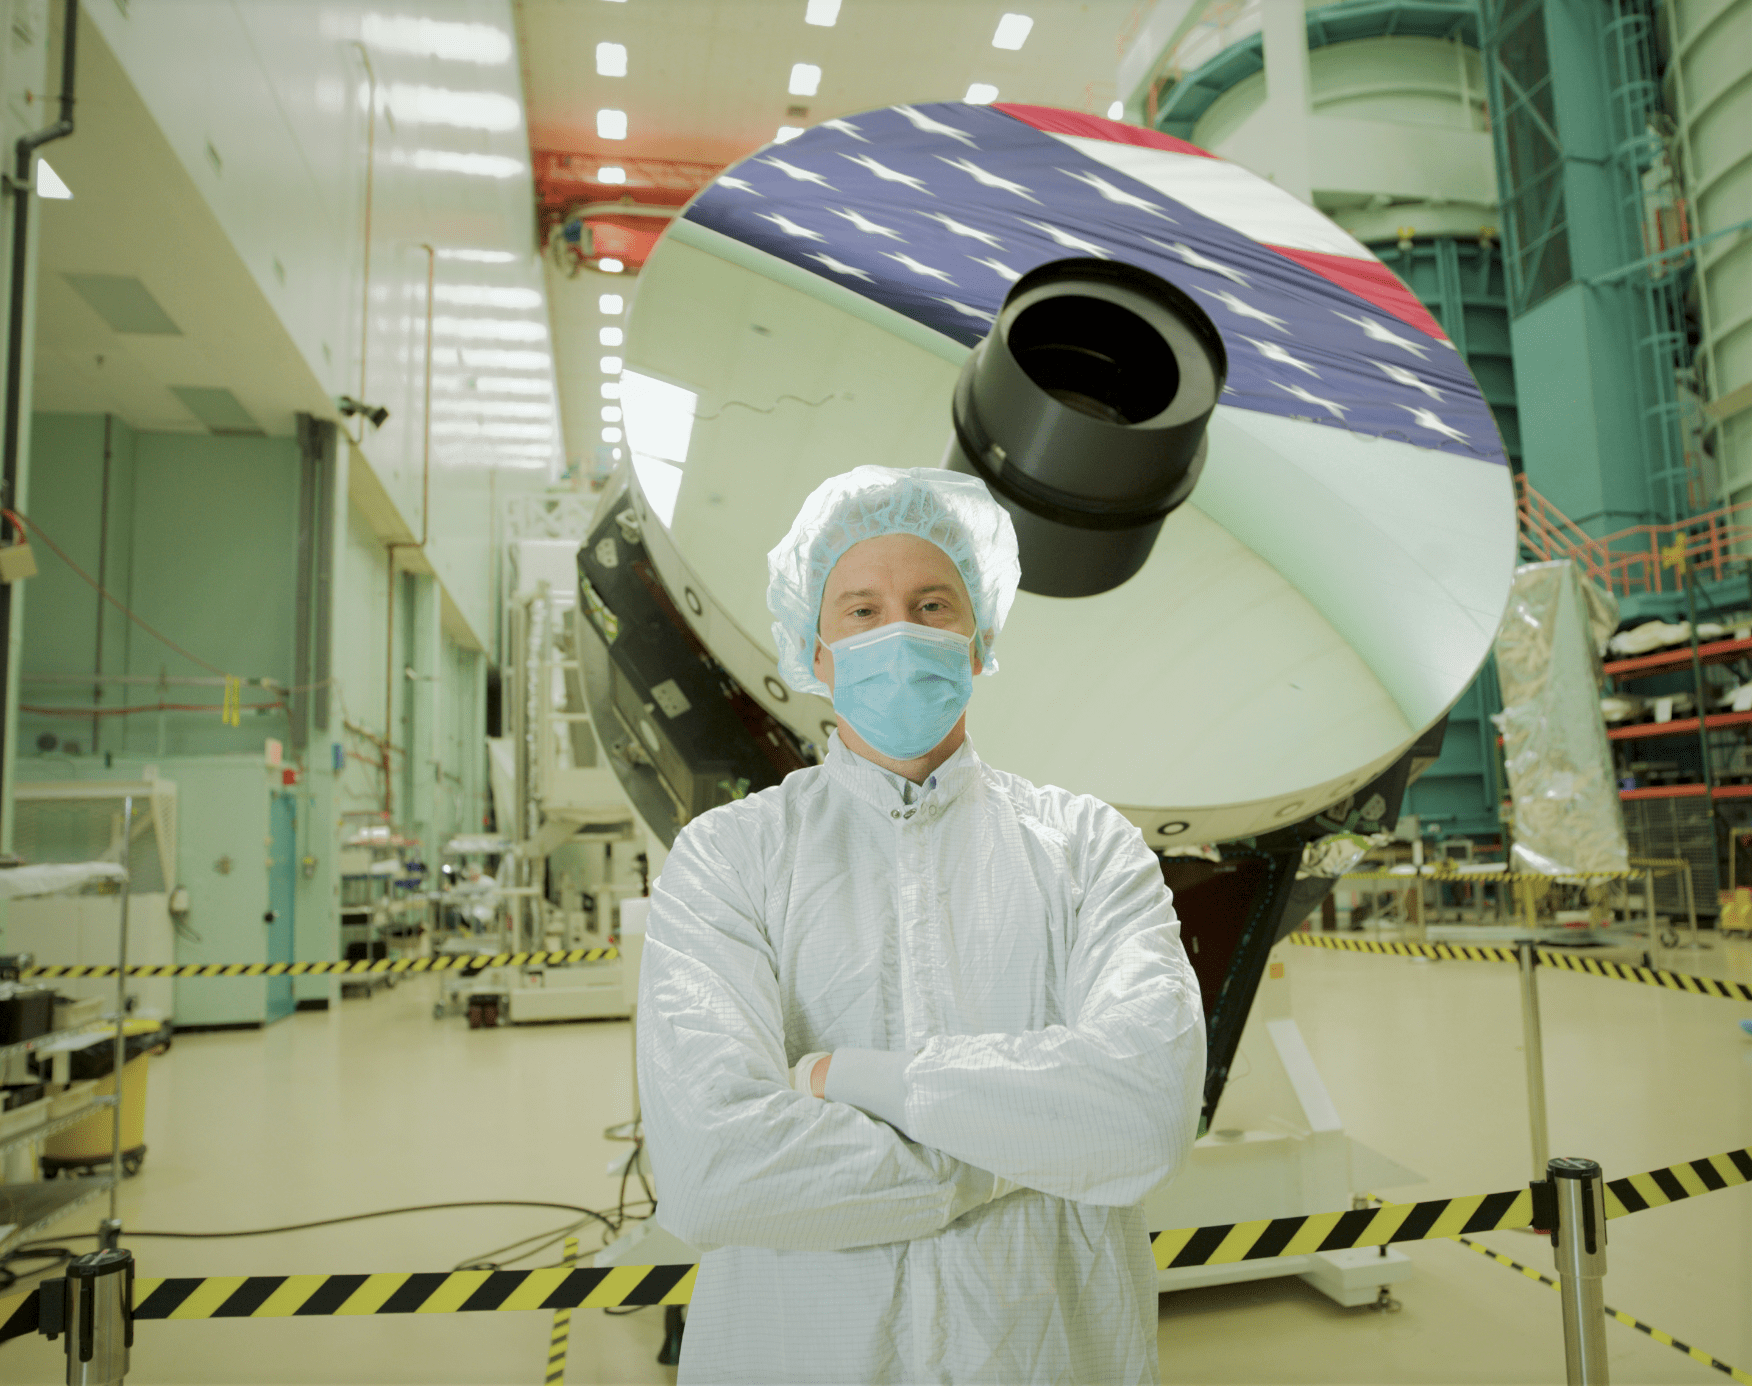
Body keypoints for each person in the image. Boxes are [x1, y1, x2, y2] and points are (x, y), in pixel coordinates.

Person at [637, 465, 1206, 1385]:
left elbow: (1143, 1113)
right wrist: (1012, 1154)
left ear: (978, 637)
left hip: (1045, 1355)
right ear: (812, 649)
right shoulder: (728, 859)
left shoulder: (1086, 847)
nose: (898, 631)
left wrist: (845, 1080)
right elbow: (714, 1167)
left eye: (932, 603)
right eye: (861, 610)